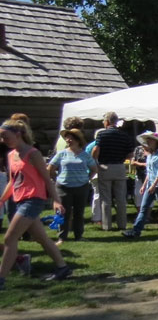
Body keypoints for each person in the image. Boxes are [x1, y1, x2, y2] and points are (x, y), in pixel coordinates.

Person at [0, 119, 72, 290]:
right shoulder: (11, 155)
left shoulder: (33, 154)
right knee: (41, 238)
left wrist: (56, 200)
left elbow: (47, 179)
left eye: (5, 136)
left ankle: (1, 279)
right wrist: (2, 200)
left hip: (33, 200)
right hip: (19, 200)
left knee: (10, 238)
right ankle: (63, 268)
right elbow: (13, 181)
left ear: (18, 135)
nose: (3, 141)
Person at [47, 128, 97, 244]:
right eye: (67, 138)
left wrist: (87, 179)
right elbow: (51, 168)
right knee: (63, 212)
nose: (68, 140)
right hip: (63, 187)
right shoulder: (61, 154)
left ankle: (78, 236)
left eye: (71, 138)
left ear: (78, 140)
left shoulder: (85, 155)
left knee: (79, 213)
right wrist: (56, 179)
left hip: (81, 187)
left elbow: (94, 169)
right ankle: (62, 237)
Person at [123, 132, 158, 239]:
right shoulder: (150, 154)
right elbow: (149, 172)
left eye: (151, 140)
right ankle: (136, 231)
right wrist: (144, 185)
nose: (148, 142)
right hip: (150, 184)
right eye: (147, 140)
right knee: (144, 207)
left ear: (157, 142)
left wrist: (154, 185)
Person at [91, 112, 133, 231]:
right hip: (119, 167)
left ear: (107, 121)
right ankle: (122, 224)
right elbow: (130, 154)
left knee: (106, 198)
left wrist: (94, 159)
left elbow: (96, 149)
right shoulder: (124, 135)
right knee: (121, 198)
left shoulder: (102, 134)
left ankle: (106, 225)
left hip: (105, 167)